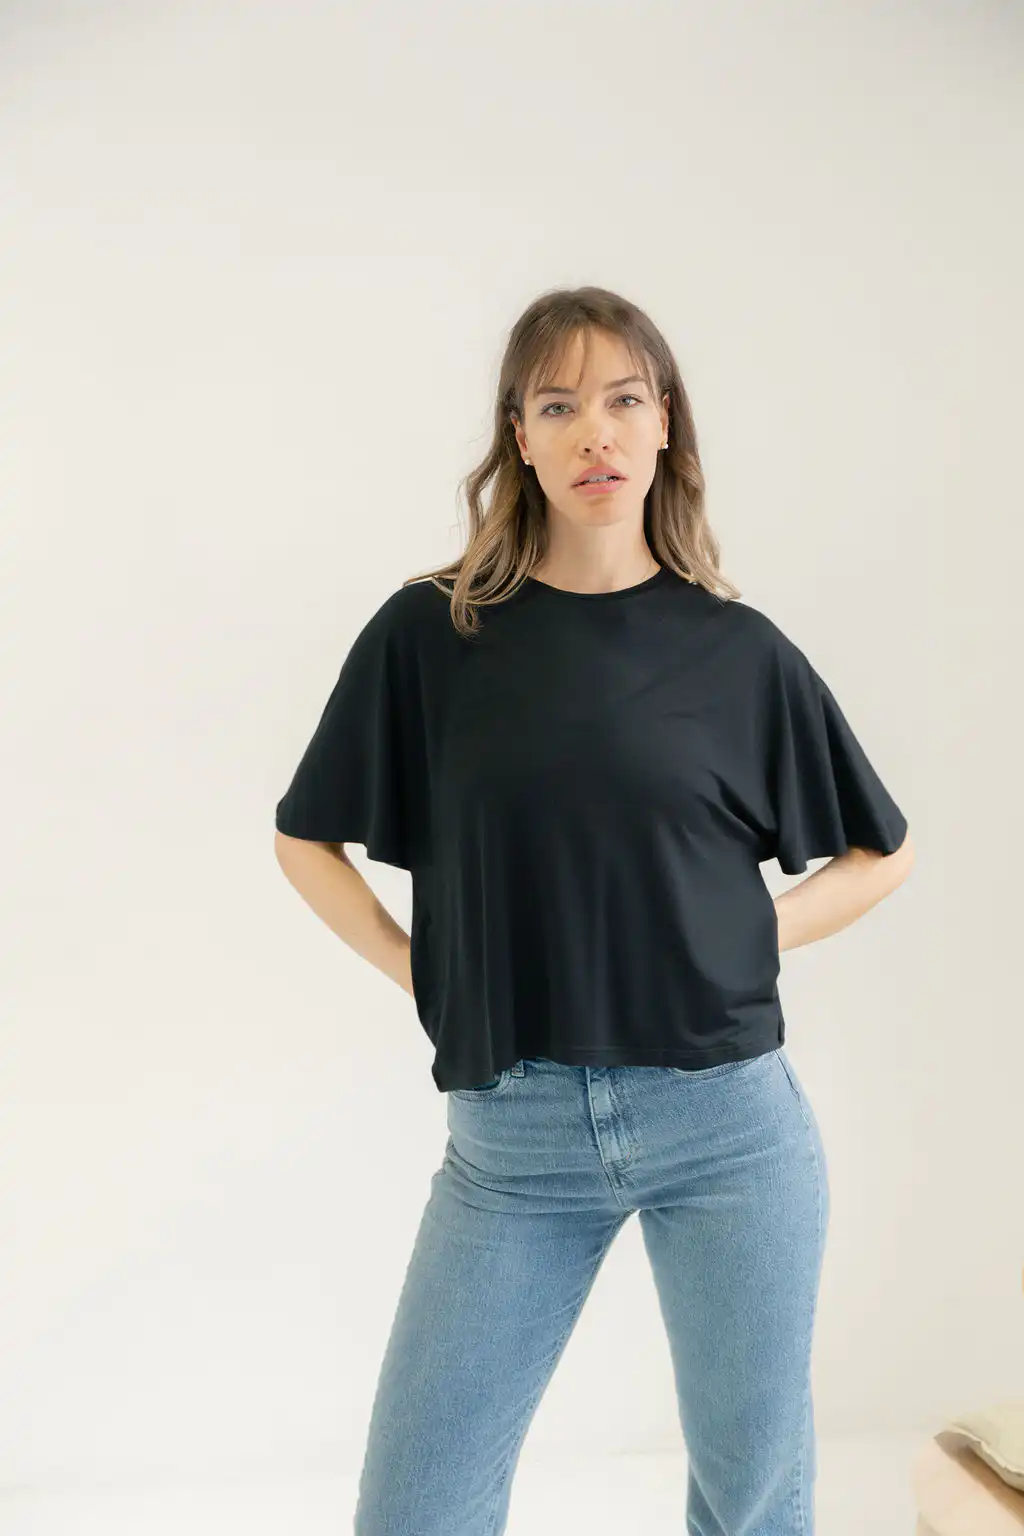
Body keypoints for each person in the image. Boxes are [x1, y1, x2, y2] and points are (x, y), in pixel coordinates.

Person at [274, 286, 913, 1535]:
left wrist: (743, 938)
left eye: (622, 399)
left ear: (665, 422)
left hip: (728, 1124)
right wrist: (424, 968)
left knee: (752, 1501)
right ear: (518, 436)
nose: (594, 433)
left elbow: (876, 854)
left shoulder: (739, 652)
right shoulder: (433, 633)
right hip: (510, 1144)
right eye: (558, 406)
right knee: (415, 1507)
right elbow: (308, 840)